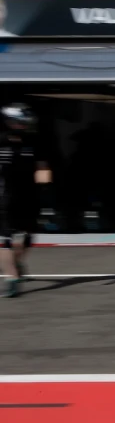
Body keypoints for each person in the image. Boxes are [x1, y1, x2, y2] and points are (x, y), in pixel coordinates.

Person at [0, 102, 53, 298]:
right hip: (4, 197)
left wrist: (45, 190)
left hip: (30, 197)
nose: (25, 125)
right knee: (6, 238)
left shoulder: (35, 142)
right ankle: (11, 279)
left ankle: (16, 262)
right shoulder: (1, 141)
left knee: (27, 237)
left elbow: (43, 167)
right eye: (22, 121)